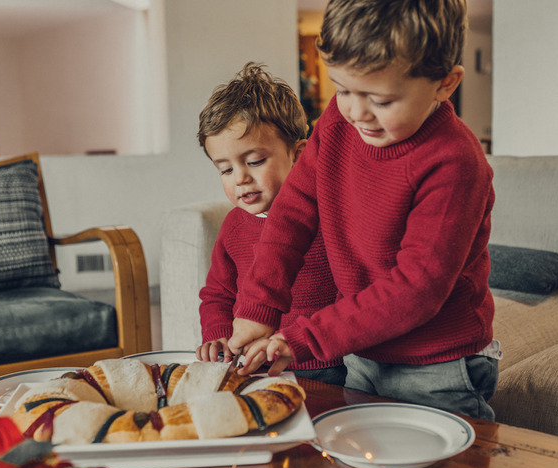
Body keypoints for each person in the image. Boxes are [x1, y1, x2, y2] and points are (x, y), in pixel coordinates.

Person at [227, 0, 501, 420]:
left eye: (381, 99)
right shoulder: (337, 122)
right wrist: (257, 306)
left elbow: (416, 289)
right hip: (362, 350)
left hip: (437, 364)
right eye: (342, 89)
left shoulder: (455, 161)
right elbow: (292, 213)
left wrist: (305, 337)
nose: (356, 112)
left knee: (448, 462)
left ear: (445, 84)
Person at [195, 62, 346, 386]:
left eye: (255, 161)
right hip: (255, 365)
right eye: (225, 169)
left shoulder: (329, 216)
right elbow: (218, 294)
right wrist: (218, 335)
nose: (240, 178)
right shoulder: (233, 227)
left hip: (326, 363)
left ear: (299, 155)